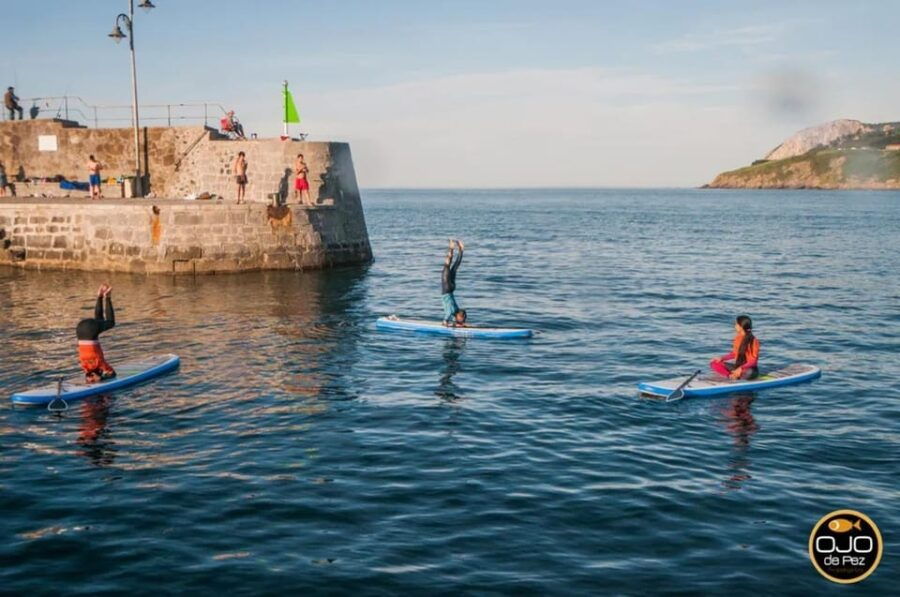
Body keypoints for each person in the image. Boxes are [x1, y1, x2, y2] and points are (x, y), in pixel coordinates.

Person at [76, 284, 117, 383]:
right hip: (80, 329)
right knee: (99, 321)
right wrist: (94, 377)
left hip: (90, 330)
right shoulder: (84, 366)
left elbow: (113, 374)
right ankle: (100, 295)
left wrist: (102, 378)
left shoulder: (100, 364)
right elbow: (89, 373)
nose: (91, 379)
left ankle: (107, 297)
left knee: (110, 322)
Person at [710, 315, 760, 380]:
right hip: (737, 367)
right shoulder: (737, 338)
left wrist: (741, 368)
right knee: (714, 363)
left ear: (741, 326)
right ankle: (730, 375)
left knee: (748, 373)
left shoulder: (753, 341)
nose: (735, 326)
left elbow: (753, 361)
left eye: (736, 324)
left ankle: (736, 375)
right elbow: (734, 354)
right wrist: (722, 358)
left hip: (749, 369)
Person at [441, 239, 467, 326]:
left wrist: (453, 323)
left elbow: (451, 315)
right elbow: (448, 314)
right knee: (447, 265)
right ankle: (451, 248)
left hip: (452, 289)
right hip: (447, 289)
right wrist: (445, 322)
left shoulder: (456, 309)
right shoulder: (453, 311)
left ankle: (461, 249)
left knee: (455, 266)